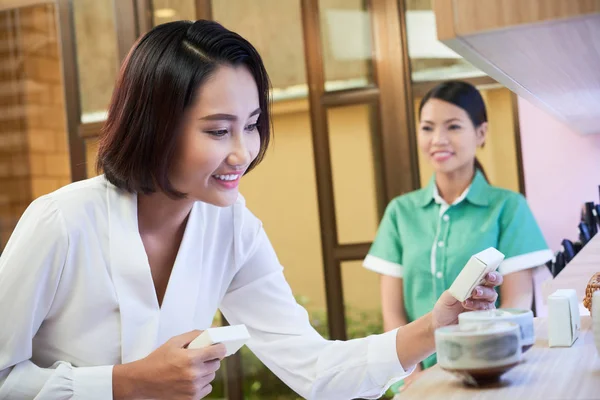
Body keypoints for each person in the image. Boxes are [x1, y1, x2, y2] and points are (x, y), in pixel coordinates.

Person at [0, 22, 501, 400]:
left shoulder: (233, 227)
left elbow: (315, 368)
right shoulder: (61, 223)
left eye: (253, 124)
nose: (242, 152)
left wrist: (433, 328)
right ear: (155, 126)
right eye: (218, 130)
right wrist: (122, 384)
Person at [363, 80, 552, 392]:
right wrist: (410, 380)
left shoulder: (508, 208)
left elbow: (516, 305)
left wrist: (449, 373)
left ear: (480, 133)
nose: (438, 139)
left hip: (488, 378)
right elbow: (393, 312)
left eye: (453, 127)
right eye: (427, 128)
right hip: (414, 384)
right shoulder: (400, 212)